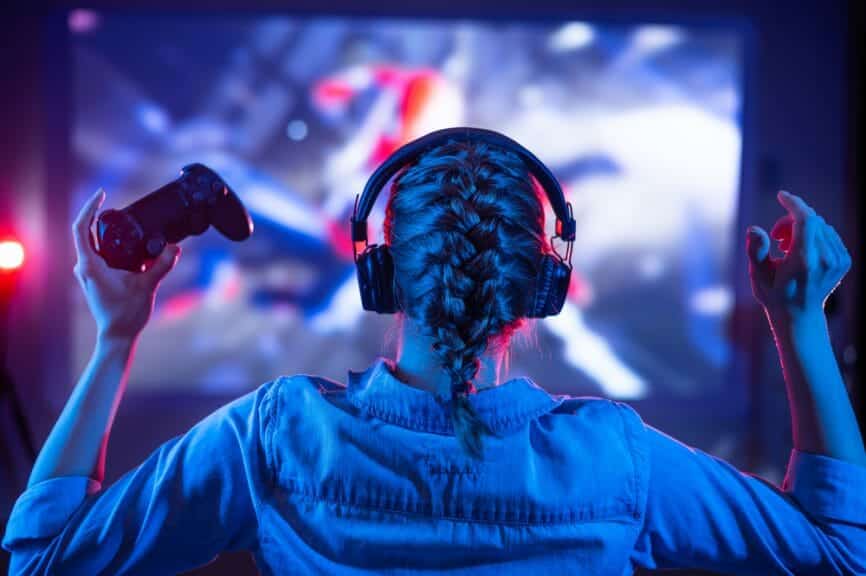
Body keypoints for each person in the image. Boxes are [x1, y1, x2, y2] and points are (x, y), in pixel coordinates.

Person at [3, 138, 865, 575]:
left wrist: (117, 336)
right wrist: (801, 328)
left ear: (380, 270)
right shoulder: (616, 461)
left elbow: (42, 561)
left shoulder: (276, 437)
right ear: (543, 287)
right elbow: (841, 551)